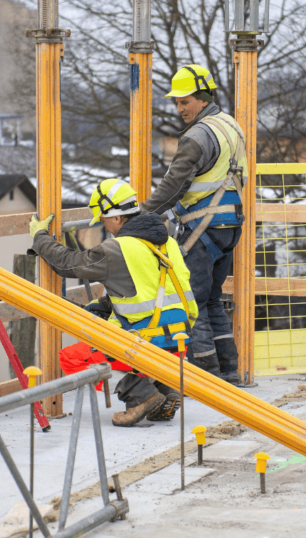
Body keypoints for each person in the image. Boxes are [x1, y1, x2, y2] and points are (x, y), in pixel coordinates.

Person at [29, 178, 198, 426]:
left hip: (145, 340)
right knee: (133, 340)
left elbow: (67, 263)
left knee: (71, 358)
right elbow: (154, 288)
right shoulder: (168, 242)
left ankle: (141, 396)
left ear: (117, 217)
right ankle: (164, 388)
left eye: (104, 220)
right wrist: (109, 305)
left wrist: (40, 237)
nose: (105, 227)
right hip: (179, 342)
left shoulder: (116, 249)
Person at [139, 64, 251, 386]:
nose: (179, 108)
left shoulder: (197, 136)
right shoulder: (230, 126)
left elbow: (174, 186)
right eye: (176, 102)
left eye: (184, 101)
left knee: (192, 303)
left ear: (202, 98)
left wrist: (141, 215)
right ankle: (229, 372)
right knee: (212, 300)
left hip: (203, 228)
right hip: (229, 228)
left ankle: (206, 380)